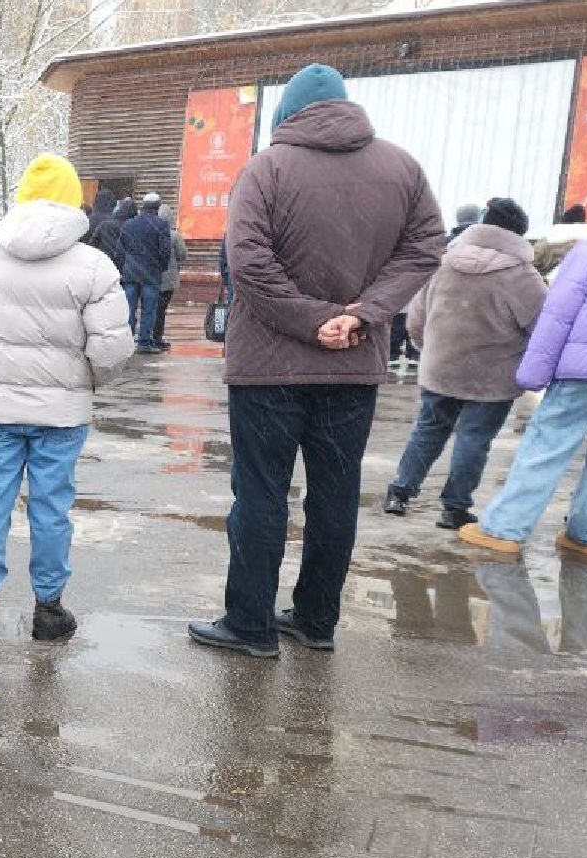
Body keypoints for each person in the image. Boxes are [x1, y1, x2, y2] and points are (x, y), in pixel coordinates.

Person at [188, 63, 443, 659]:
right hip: (354, 365)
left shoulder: (266, 168)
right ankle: (316, 619)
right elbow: (426, 246)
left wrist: (310, 319)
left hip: (268, 368)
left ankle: (249, 625)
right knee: (335, 495)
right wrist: (363, 314)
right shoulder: (402, 168)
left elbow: (247, 263)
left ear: (287, 115)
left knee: (260, 494)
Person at [0, 154, 132, 643]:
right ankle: (49, 609)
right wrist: (90, 379)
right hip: (62, 413)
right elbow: (112, 345)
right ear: (73, 198)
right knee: (51, 506)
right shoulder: (94, 266)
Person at [460, 186, 587, 563]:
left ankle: (504, 529)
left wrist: (533, 374)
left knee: (546, 446)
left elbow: (556, 317)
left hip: (585, 371)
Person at [384, 198, 547, 530]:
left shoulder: (445, 262)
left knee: (428, 430)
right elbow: (542, 327)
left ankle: (399, 493)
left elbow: (416, 318)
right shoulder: (522, 276)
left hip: (441, 367)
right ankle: (454, 508)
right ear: (518, 234)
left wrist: (427, 349)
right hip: (493, 377)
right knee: (474, 439)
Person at [119, 191, 174, 354]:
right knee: (149, 309)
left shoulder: (129, 224)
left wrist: (127, 265)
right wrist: (161, 267)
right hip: (151, 274)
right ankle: (144, 342)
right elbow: (165, 251)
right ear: (157, 207)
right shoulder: (161, 225)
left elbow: (120, 248)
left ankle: (126, 342)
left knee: (129, 308)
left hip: (130, 273)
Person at [153, 209, 188, 350]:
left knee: (150, 309)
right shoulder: (174, 236)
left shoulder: (151, 233)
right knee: (161, 310)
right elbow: (182, 255)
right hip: (168, 280)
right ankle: (157, 337)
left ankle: (148, 336)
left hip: (151, 277)